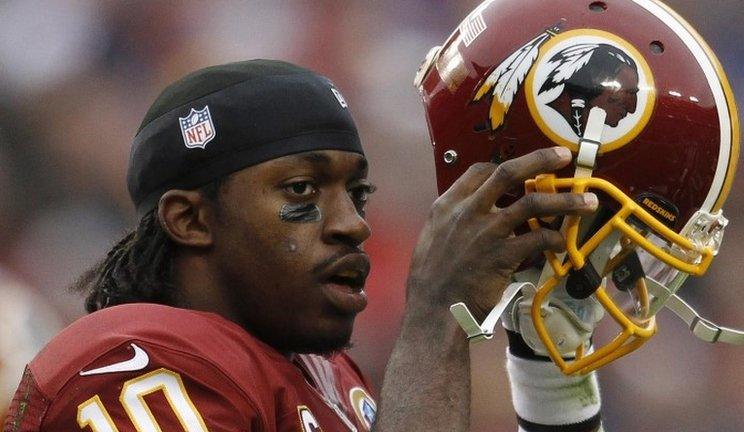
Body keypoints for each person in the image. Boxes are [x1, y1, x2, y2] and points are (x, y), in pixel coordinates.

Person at [3, 59, 596, 432]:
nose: (353, 225)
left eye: (357, 194)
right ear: (189, 220)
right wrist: (436, 317)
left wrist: (551, 386)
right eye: (302, 189)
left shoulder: (332, 376)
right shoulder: (132, 363)